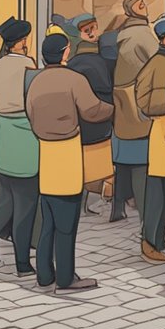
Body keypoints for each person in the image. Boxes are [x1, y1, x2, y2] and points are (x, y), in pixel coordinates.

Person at [26, 33, 113, 292]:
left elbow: (30, 113)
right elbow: (92, 110)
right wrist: (113, 107)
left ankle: (44, 274)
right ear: (65, 53)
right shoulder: (74, 79)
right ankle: (65, 278)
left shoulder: (36, 82)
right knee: (67, 223)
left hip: (46, 154)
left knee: (48, 221)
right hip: (67, 153)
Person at [0, 16, 38, 273]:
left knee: (5, 199)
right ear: (22, 43)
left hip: (4, 138)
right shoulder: (28, 65)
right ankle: (22, 262)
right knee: (25, 204)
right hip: (25, 137)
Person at [135, 17, 165, 263]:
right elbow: (142, 99)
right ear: (164, 39)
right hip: (162, 134)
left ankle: (159, 241)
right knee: (158, 193)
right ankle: (150, 241)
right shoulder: (155, 64)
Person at [110, 0, 155, 224]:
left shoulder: (125, 33)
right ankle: (144, 208)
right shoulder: (142, 34)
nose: (145, 6)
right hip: (136, 97)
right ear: (133, 10)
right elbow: (157, 60)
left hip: (122, 99)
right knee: (139, 158)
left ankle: (118, 205)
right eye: (141, 4)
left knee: (123, 158)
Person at [68, 13, 115, 216]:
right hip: (99, 118)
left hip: (83, 119)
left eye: (95, 28)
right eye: (88, 30)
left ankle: (83, 202)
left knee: (83, 162)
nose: (93, 33)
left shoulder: (74, 63)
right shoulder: (102, 60)